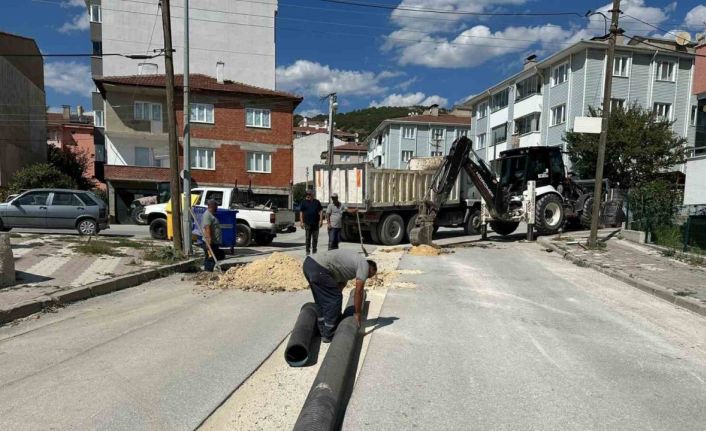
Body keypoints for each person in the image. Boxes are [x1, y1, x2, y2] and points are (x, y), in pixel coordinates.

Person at [302, 249, 377, 342]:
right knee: (335, 298)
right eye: (369, 275)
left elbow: (339, 286)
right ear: (370, 268)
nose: (367, 277)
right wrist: (357, 314)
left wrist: (336, 312)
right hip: (319, 268)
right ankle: (329, 333)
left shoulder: (350, 265)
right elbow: (359, 291)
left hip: (308, 264)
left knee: (322, 300)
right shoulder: (364, 265)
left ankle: (321, 329)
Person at [200, 199, 225, 272]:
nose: (217, 207)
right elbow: (207, 229)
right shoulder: (207, 215)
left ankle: (207, 271)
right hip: (210, 242)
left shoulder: (211, 215)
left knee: (212, 257)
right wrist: (209, 242)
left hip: (214, 242)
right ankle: (207, 272)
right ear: (212, 206)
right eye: (216, 205)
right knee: (211, 258)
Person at [299, 190, 323, 255]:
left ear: (312, 195)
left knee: (315, 238)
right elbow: (301, 212)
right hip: (307, 223)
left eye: (309, 194)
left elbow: (320, 211)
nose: (308, 195)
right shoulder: (304, 202)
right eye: (307, 194)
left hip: (315, 223)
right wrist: (301, 222)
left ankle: (314, 251)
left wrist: (321, 220)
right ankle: (307, 251)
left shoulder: (317, 202)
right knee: (307, 238)